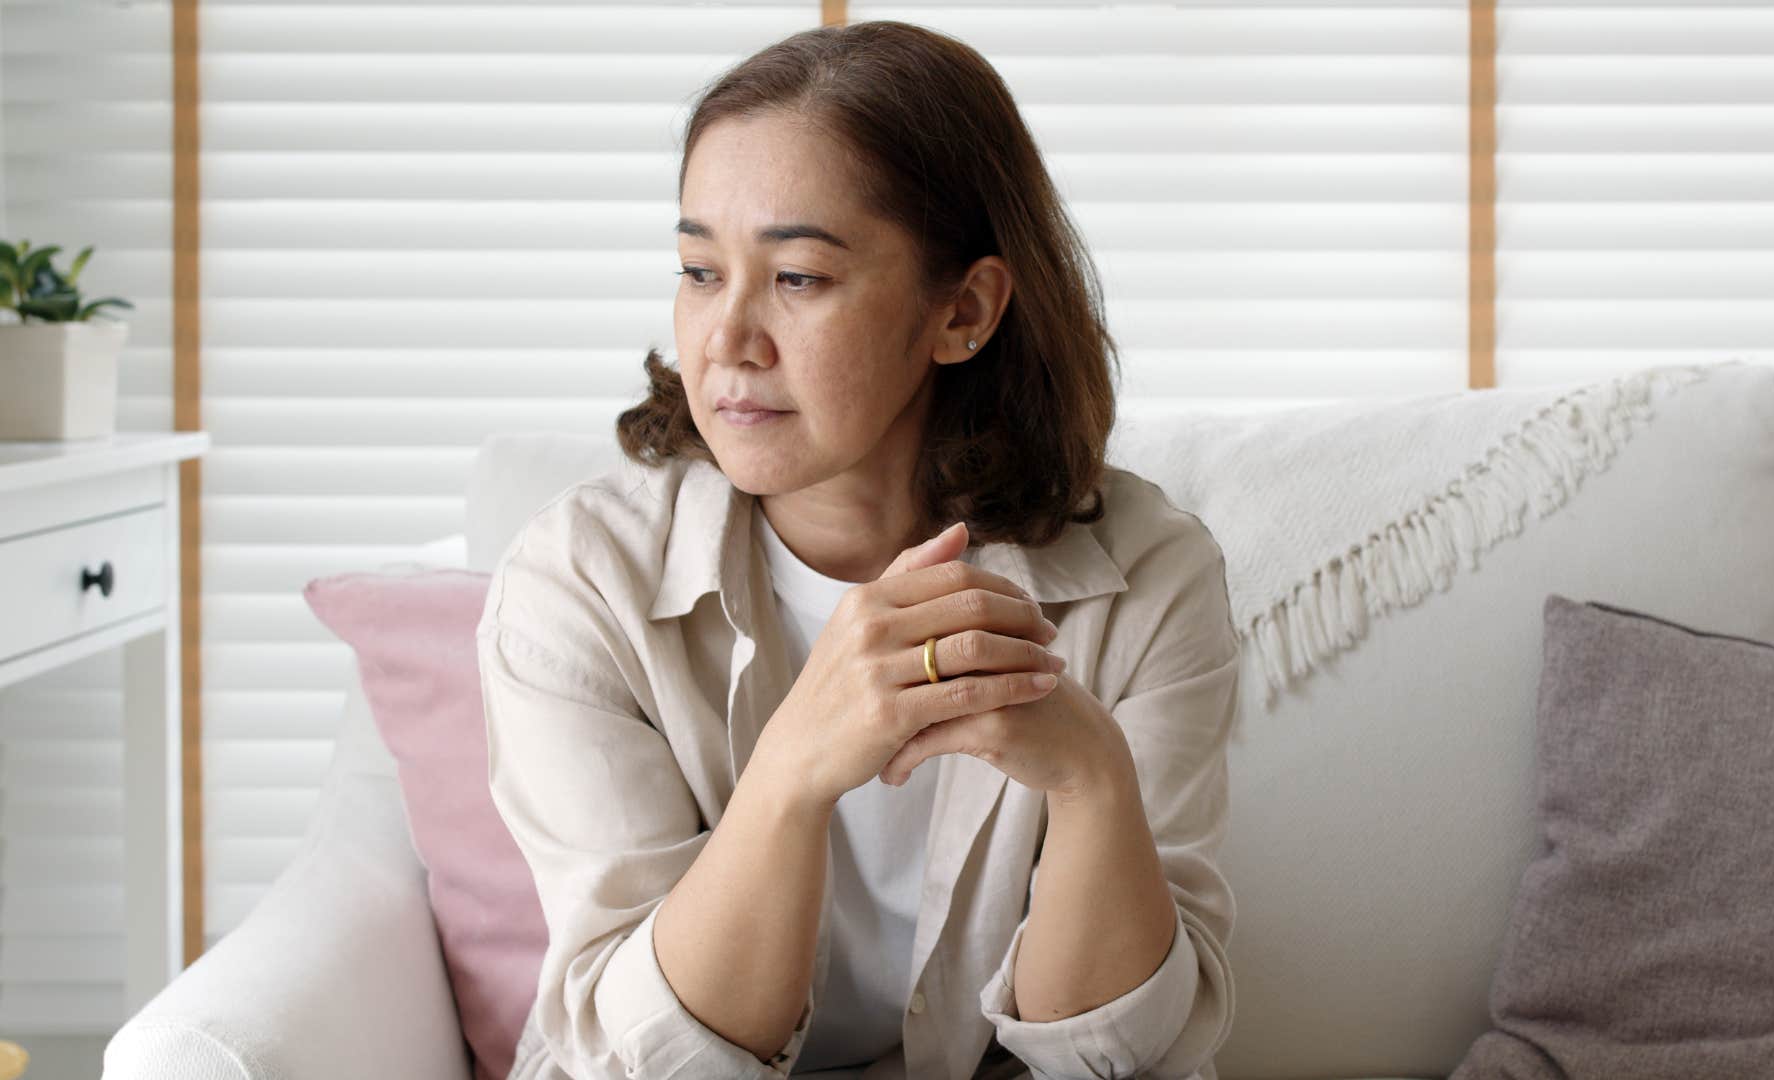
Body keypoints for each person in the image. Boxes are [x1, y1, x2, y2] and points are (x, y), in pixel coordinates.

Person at [476, 19, 1239, 1080]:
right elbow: (647, 1058)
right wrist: (796, 764)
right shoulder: (575, 587)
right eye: (699, 270)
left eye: (797, 278)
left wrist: (1093, 777)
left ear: (963, 310)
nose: (726, 339)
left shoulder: (1150, 581)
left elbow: (1117, 1055)